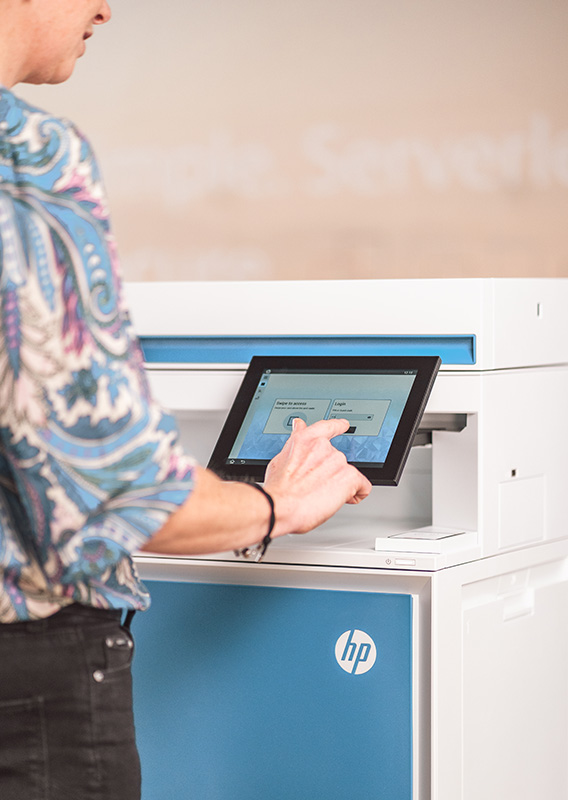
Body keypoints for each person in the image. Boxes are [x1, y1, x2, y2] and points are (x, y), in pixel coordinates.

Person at [0, 1, 372, 798]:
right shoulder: (27, 157)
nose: (105, 8)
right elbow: (112, 497)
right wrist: (276, 504)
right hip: (31, 693)